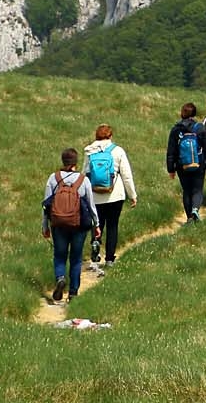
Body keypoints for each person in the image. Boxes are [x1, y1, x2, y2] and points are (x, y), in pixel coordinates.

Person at [42, 148, 101, 304]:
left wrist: (45, 226)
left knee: (59, 255)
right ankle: (73, 293)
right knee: (76, 258)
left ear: (63, 161)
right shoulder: (83, 180)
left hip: (58, 224)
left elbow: (46, 206)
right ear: (75, 162)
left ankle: (60, 278)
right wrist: (97, 224)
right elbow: (91, 205)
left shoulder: (53, 178)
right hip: (79, 225)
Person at [82, 124, 137, 267]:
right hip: (115, 195)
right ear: (110, 136)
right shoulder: (118, 151)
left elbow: (84, 174)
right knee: (112, 226)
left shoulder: (89, 152)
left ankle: (95, 246)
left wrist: (83, 196)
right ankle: (110, 259)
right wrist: (132, 195)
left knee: (97, 224)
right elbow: (126, 176)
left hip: (95, 196)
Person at [166, 102, 206, 222]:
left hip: (182, 165)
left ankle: (189, 218)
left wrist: (171, 169)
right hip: (198, 163)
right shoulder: (199, 128)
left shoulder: (176, 130)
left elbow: (171, 151)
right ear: (194, 114)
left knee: (187, 191)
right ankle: (195, 209)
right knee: (197, 189)